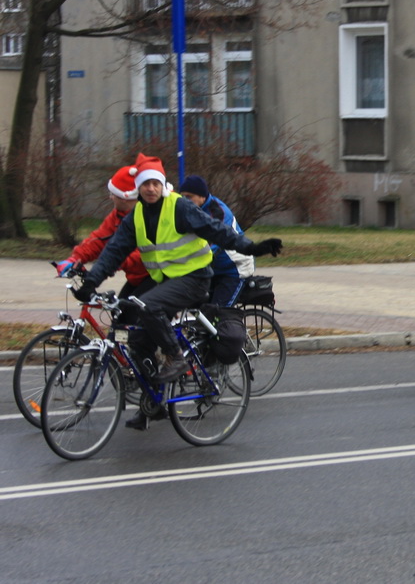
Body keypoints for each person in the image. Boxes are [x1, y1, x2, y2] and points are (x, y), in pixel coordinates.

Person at [71, 153, 282, 430]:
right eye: (146, 184)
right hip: (166, 281)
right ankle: (153, 404)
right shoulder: (136, 216)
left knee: (148, 306)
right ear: (138, 188)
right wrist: (91, 282)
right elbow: (113, 253)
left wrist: (252, 247)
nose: (151, 189)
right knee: (137, 339)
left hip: (195, 279)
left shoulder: (179, 207)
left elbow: (217, 231)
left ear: (162, 185)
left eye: (155, 183)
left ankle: (176, 358)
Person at [54, 165, 156, 298]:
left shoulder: (151, 216)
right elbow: (98, 239)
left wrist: (115, 262)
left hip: (157, 276)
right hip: (137, 277)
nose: (111, 197)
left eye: (113, 194)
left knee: (131, 309)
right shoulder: (118, 215)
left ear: (124, 197)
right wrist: (75, 258)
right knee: (119, 309)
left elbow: (143, 253)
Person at [178, 175, 255, 307]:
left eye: (189, 197)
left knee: (218, 312)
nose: (185, 200)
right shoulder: (189, 211)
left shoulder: (219, 212)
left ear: (202, 196)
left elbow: (215, 243)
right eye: (183, 197)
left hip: (234, 269)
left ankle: (224, 321)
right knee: (195, 308)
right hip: (212, 270)